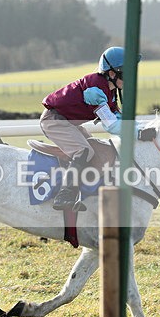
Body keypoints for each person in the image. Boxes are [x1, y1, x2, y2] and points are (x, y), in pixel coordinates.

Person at [40, 46, 138, 211]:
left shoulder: (110, 92)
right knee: (84, 151)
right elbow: (112, 125)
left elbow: (119, 119)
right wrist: (139, 133)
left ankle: (85, 191)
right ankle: (64, 196)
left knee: (95, 148)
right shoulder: (95, 91)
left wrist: (142, 128)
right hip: (54, 120)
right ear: (112, 73)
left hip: (67, 122)